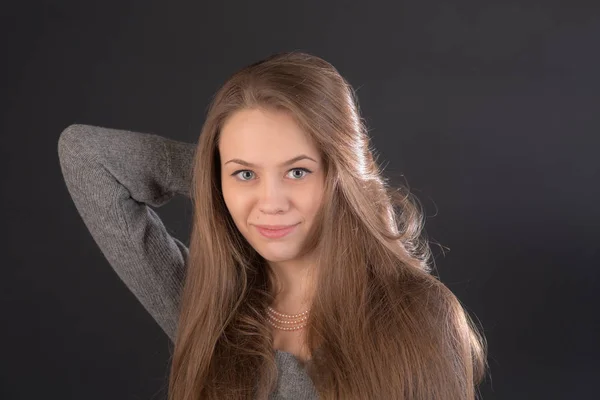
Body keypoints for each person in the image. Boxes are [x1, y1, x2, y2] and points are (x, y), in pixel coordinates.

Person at [58, 51, 488, 400]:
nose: (270, 203)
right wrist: (218, 176)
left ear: (341, 176)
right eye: (246, 175)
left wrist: (242, 172)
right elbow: (86, 154)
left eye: (297, 172)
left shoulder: (420, 315)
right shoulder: (212, 309)